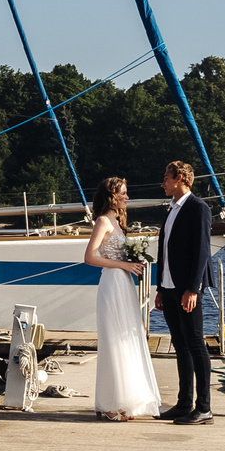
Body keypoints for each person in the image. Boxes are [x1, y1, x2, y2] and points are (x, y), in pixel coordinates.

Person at [82, 176, 159, 420]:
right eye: (123, 193)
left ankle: (124, 401)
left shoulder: (118, 222)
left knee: (127, 338)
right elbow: (90, 258)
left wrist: (132, 264)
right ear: (112, 197)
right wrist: (123, 265)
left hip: (124, 284)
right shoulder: (103, 221)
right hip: (112, 284)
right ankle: (108, 405)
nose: (127, 197)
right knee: (113, 340)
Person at [155, 159, 215, 425]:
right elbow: (165, 251)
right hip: (169, 287)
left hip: (187, 288)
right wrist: (159, 288)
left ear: (180, 178)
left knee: (195, 342)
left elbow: (202, 250)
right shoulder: (171, 209)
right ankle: (183, 403)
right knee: (179, 345)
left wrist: (193, 288)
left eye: (166, 178)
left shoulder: (197, 208)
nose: (162, 183)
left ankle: (204, 408)